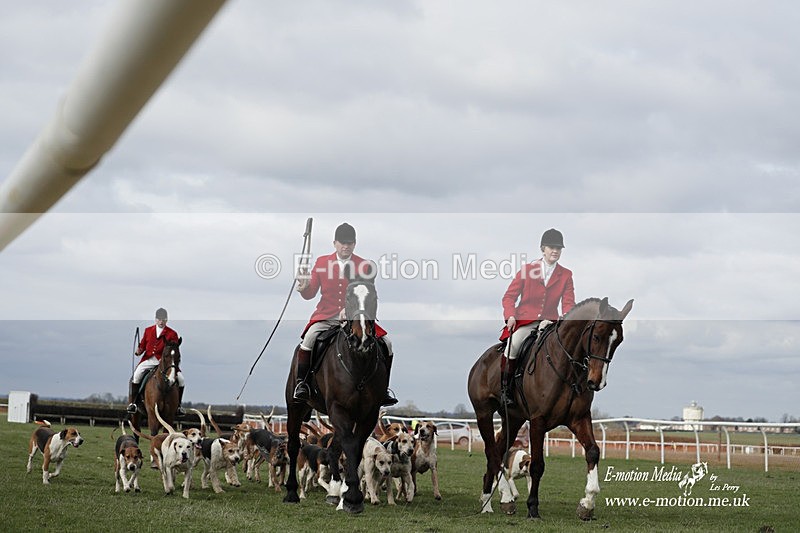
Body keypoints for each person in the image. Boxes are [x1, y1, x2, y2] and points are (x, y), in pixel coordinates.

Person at [292, 222, 397, 406]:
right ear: (335, 243)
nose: (345, 246)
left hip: (356, 318)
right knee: (308, 339)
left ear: (354, 244)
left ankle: (383, 389)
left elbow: (367, 293)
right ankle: (302, 384)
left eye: (349, 243)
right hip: (327, 315)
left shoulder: (364, 266)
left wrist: (349, 311)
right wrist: (303, 286)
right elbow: (310, 294)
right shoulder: (322, 262)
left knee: (387, 344)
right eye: (342, 243)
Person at [499, 228, 575, 405]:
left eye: (558, 248)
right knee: (513, 346)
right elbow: (509, 297)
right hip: (526, 320)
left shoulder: (566, 274)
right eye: (551, 247)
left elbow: (568, 302)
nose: (555, 251)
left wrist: (566, 317)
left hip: (551, 323)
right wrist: (510, 316)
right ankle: (506, 390)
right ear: (543, 249)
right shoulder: (527, 270)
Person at [126, 308, 186, 415]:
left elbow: (174, 350)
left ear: (166, 320)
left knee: (181, 379)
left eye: (163, 319)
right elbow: (143, 345)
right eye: (159, 319)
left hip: (164, 363)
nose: (161, 322)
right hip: (148, 359)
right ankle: (133, 404)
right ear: (155, 320)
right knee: (136, 376)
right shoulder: (148, 330)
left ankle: (178, 406)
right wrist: (139, 351)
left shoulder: (172, 333)